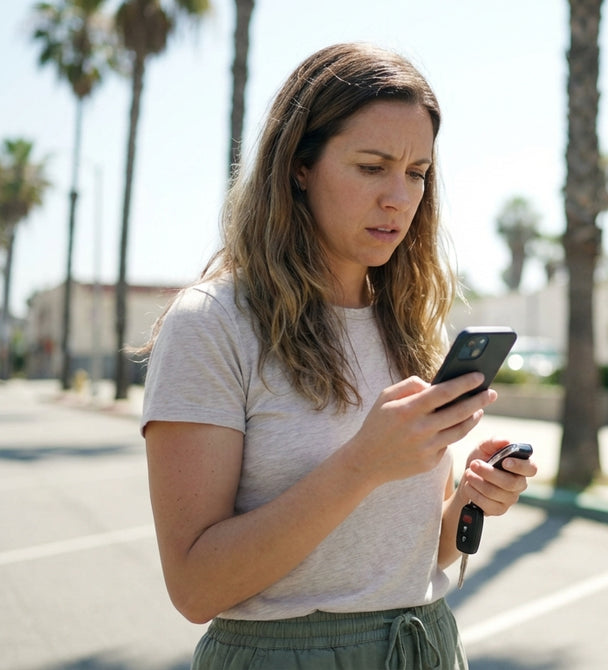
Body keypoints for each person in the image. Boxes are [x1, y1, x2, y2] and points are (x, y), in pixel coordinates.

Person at [139, 42, 536, 669]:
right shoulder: (212, 324)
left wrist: (467, 502)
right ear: (300, 165)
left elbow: (400, 556)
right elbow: (195, 587)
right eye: (372, 166)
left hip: (424, 645)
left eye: (416, 173)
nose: (400, 198)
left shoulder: (405, 322)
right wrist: (362, 465)